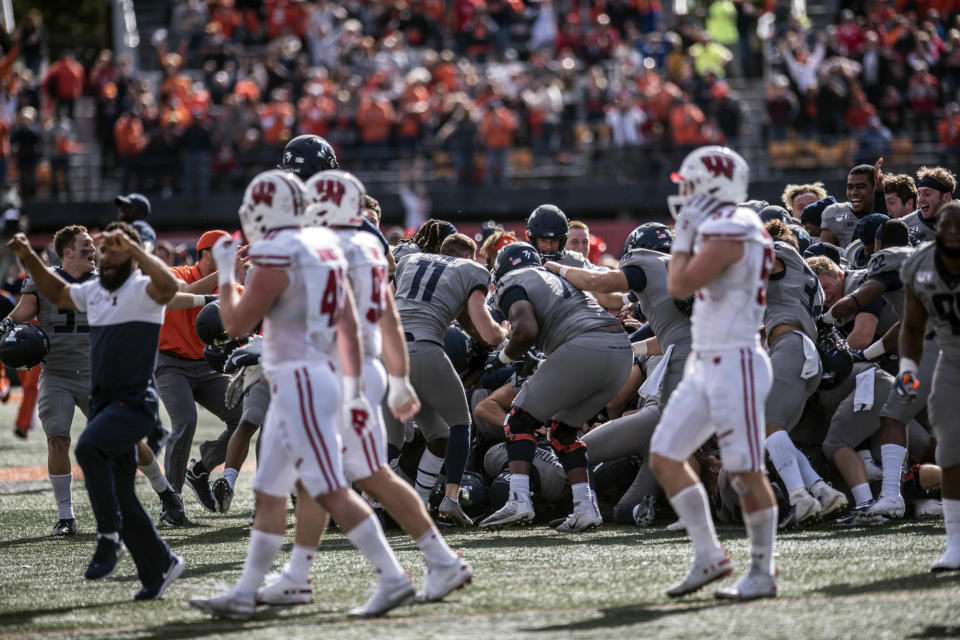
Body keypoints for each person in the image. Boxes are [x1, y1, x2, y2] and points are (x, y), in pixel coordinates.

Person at [188, 169, 414, 619]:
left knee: (331, 488)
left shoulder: (281, 250)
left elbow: (233, 324)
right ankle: (252, 589)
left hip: (303, 382)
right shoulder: (326, 247)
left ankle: (393, 576)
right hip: (310, 377)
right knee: (270, 490)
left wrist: (228, 271)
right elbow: (348, 319)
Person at [258, 169, 470, 606]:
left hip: (338, 370)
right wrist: (394, 378)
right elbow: (387, 316)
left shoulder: (327, 248)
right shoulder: (370, 245)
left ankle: (427, 564)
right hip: (359, 367)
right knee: (326, 475)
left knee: (359, 475)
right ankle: (300, 574)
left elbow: (342, 319)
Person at [6, 223, 185, 600]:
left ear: (132, 257)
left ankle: (108, 537)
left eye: (110, 250)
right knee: (122, 494)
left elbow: (169, 286)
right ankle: (161, 565)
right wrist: (28, 258)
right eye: (101, 250)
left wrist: (134, 250)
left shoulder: (142, 289)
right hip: (103, 396)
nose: (102, 256)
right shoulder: (95, 291)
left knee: (87, 449)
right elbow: (54, 289)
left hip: (134, 399)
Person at [649, 145, 778, 600]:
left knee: (745, 471)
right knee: (665, 455)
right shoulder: (731, 224)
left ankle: (763, 571)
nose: (684, 195)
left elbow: (679, 284)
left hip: (736, 360)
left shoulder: (733, 225)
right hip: (707, 360)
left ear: (713, 185)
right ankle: (709, 555)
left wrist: (683, 234)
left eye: (690, 184)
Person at [478, 242, 633, 532]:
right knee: (562, 432)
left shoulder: (513, 280)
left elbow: (526, 330)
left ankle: (519, 499)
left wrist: (502, 357)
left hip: (584, 345)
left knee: (518, 421)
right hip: (620, 350)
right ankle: (585, 508)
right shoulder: (556, 278)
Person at [388, 232, 507, 524]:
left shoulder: (409, 260)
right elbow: (489, 333)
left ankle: (407, 504)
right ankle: (451, 499)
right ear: (470, 256)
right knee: (460, 424)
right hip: (425, 349)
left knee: (432, 436)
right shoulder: (471, 270)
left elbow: (382, 306)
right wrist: (505, 331)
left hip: (388, 353)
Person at [158, 230, 243, 514]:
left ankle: (202, 468)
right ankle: (172, 500)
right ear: (206, 254)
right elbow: (180, 293)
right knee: (185, 421)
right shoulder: (178, 270)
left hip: (209, 365)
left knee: (244, 416)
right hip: (170, 363)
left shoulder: (229, 283)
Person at [897, 201, 960, 571]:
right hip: (952, 362)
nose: (953, 231)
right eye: (946, 224)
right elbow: (912, 326)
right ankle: (955, 544)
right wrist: (907, 370)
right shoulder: (921, 265)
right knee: (950, 452)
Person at [819, 164, 880, 247]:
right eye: (850, 187)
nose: (853, 192)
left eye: (860, 187)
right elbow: (822, 254)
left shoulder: (890, 210)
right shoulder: (835, 214)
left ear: (875, 188)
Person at [900, 166, 955, 245]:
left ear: (946, 197)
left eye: (927, 194)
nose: (920, 200)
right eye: (919, 194)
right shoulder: (905, 223)